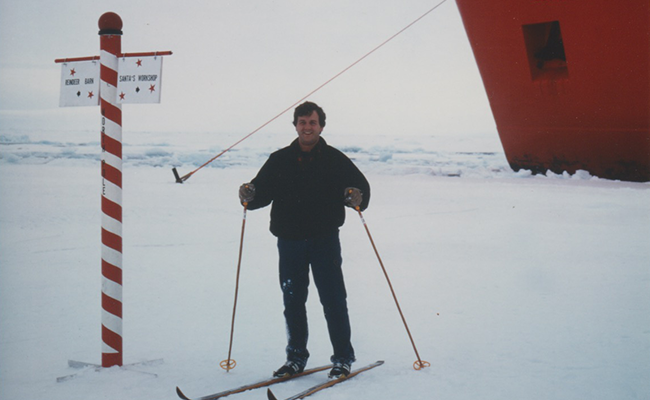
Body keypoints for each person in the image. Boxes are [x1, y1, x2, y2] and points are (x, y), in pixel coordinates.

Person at [238, 101, 370, 379]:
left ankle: (343, 358)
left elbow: (361, 188)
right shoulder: (279, 159)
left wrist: (356, 196)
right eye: (302, 122)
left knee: (333, 299)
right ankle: (296, 358)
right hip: (290, 241)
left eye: (312, 122)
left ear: (321, 126)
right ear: (295, 125)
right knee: (293, 299)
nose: (307, 127)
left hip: (324, 240)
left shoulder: (334, 159)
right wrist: (249, 194)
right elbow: (260, 191)